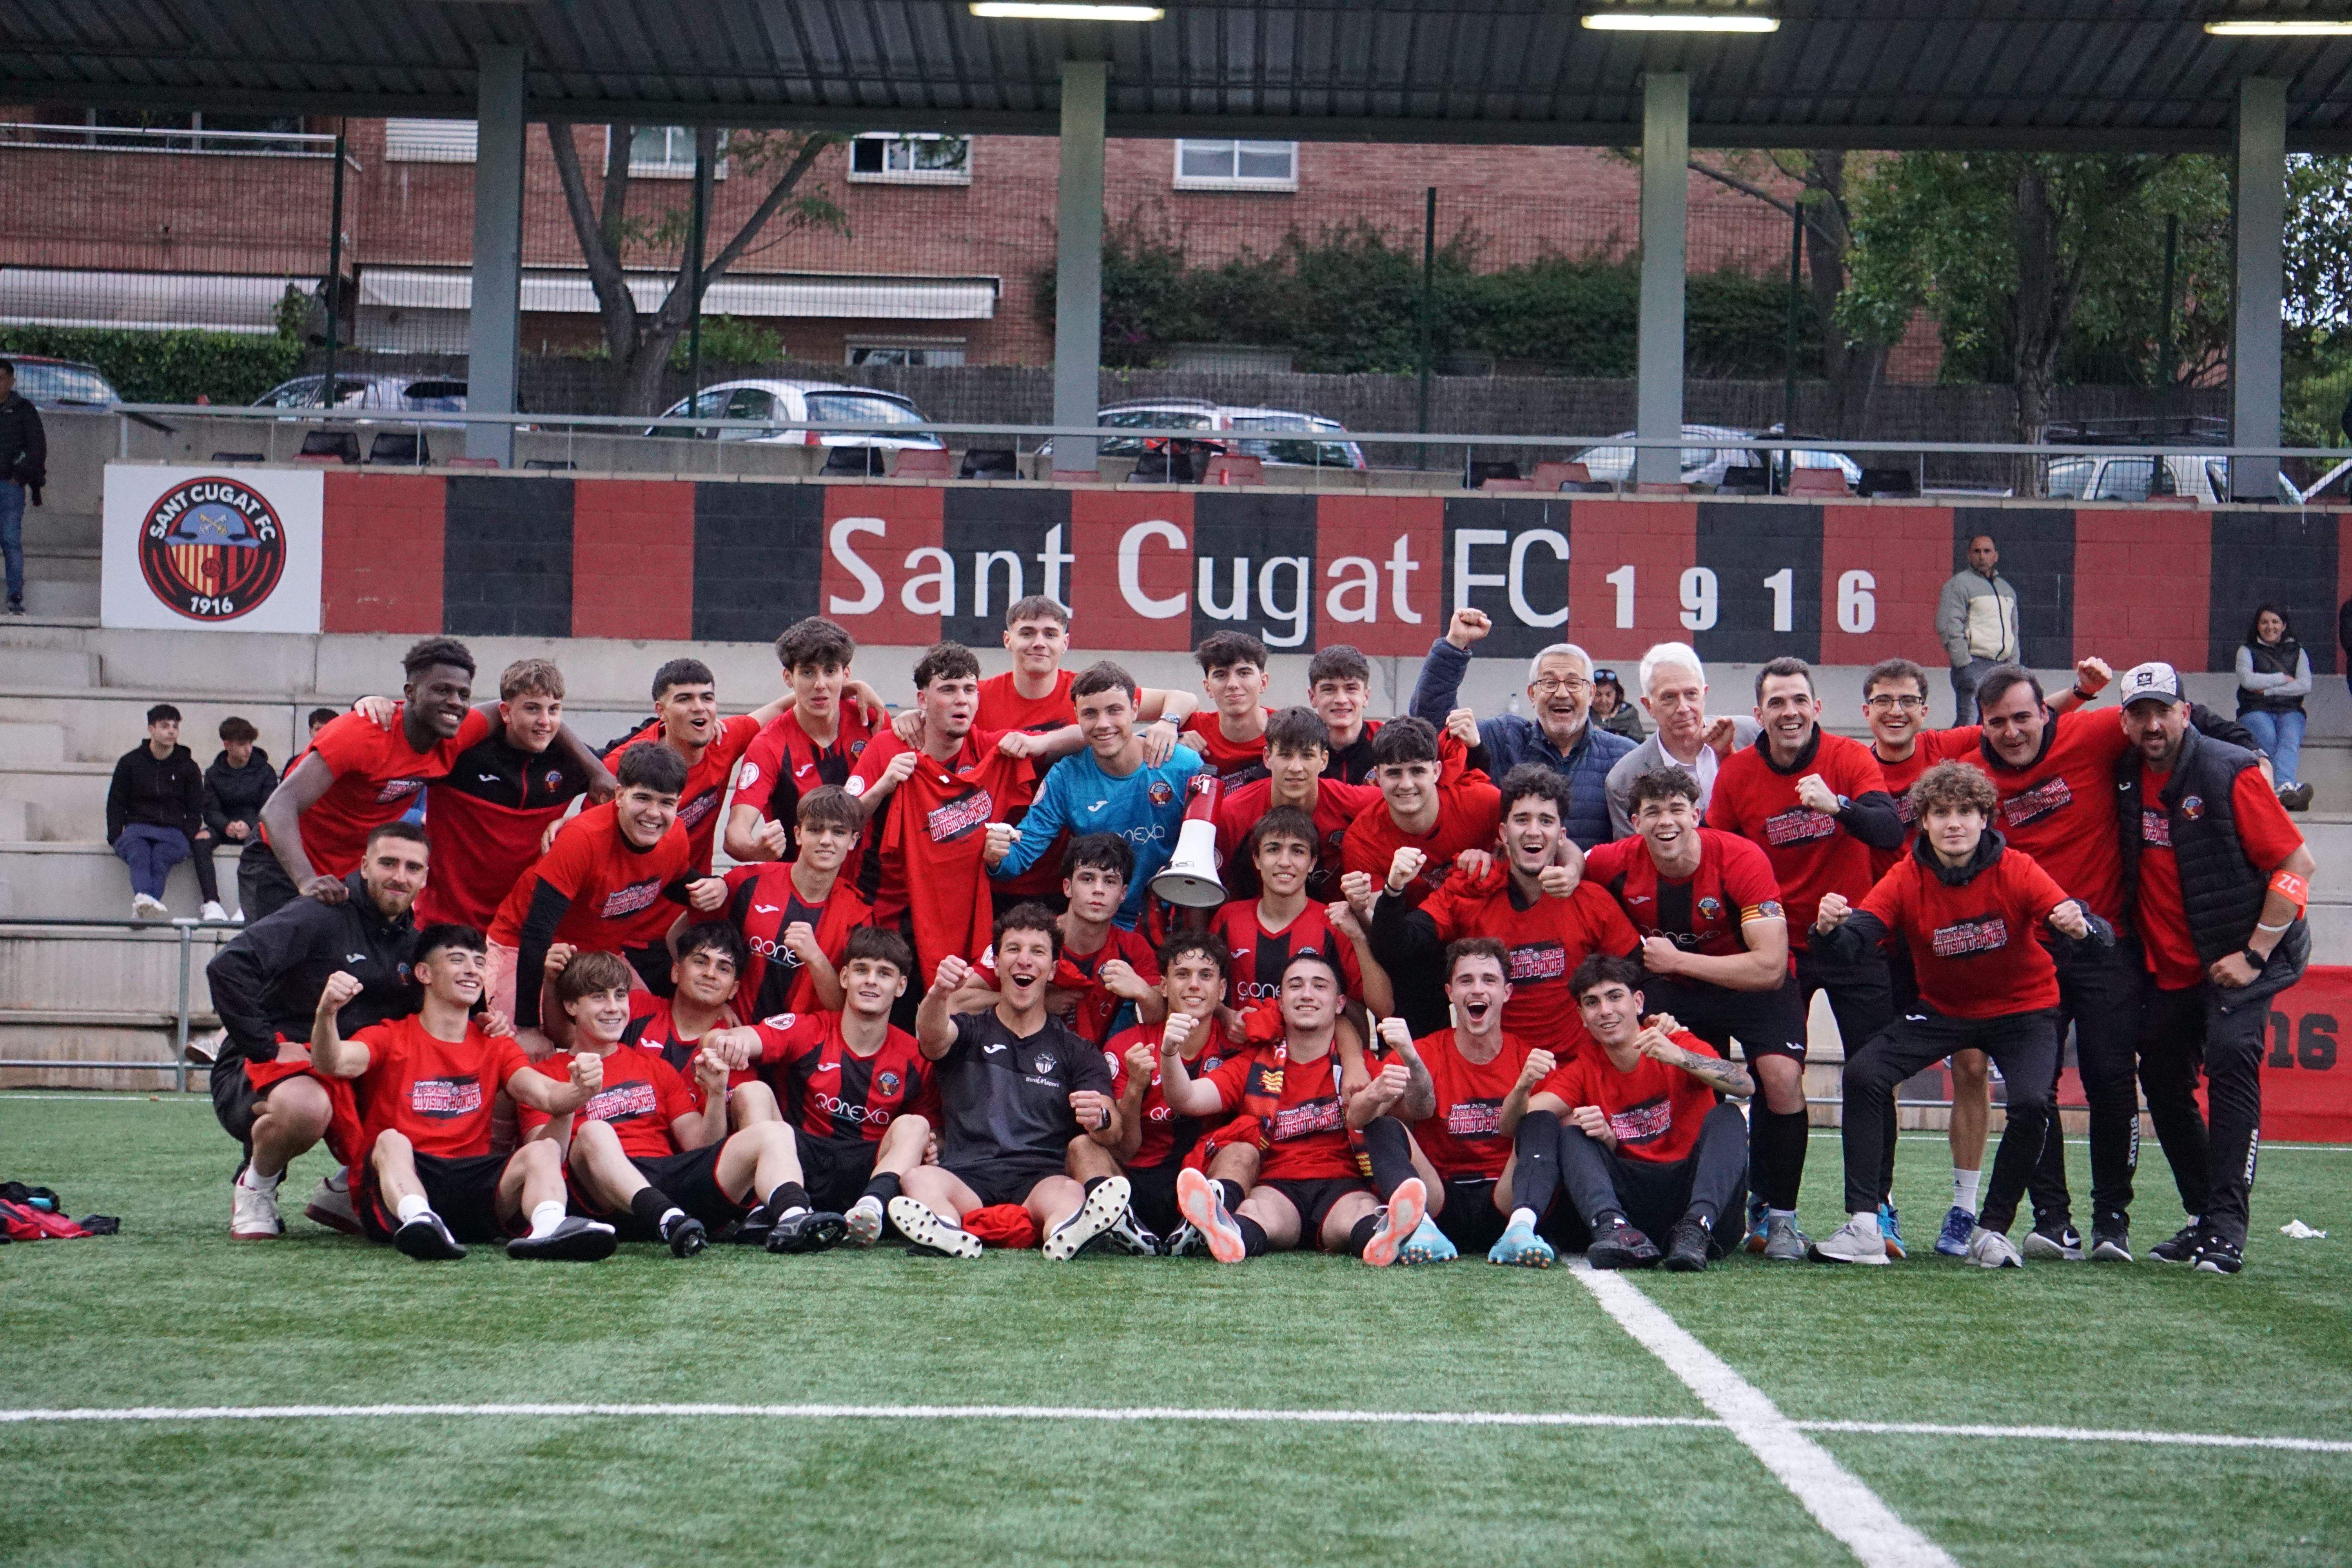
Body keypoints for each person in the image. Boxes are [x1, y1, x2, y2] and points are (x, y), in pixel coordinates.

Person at [1940, 660, 2253, 1261]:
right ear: (1982, 724)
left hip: (2106, 944)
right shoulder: (1968, 772)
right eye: (1998, 722)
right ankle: (2053, 1220)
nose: (2012, 732)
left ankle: (2113, 1218)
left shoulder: (2096, 731)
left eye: (2024, 718)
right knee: (2037, 1090)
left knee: (2112, 1079)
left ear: (2047, 714)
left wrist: (2251, 756)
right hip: (2025, 953)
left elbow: (2182, 719)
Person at [1811, 761, 2107, 1268]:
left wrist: (2081, 928)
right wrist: (1828, 928)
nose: (1954, 823)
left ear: (1985, 818)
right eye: (1941, 812)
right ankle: (1864, 1224)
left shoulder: (2017, 868)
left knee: (2034, 1102)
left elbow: (2094, 936)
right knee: (1864, 1073)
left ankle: (1992, 1230)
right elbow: (1856, 940)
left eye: (1966, 812)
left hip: (2025, 1011)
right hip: (1944, 1011)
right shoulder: (1907, 876)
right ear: (1923, 820)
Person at [2116, 661, 2315, 1276]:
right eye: (2139, 713)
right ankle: (2203, 1214)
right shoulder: (2122, 774)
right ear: (2125, 722)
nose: (2152, 724)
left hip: (2246, 960)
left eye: (2162, 711)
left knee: (2231, 1062)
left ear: (2185, 711)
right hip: (2172, 967)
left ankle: (2228, 1229)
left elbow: (2297, 865)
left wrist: (2255, 952)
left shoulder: (2229, 771)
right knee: (2164, 1077)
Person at [1707, 656, 1907, 1249]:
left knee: (1870, 1076)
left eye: (1799, 700)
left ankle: (1877, 1209)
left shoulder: (1848, 758)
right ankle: (1769, 1210)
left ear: (1817, 708)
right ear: (1759, 714)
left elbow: (1890, 831)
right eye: (1777, 703)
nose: (1789, 712)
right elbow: (1723, 858)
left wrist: (1837, 806)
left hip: (1851, 937)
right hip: (1779, 946)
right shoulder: (1738, 774)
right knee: (1778, 1075)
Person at [1582, 766, 1813, 1260]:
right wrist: (1560, 866)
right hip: (1678, 991)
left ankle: (1781, 1218)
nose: (1666, 822)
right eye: (1653, 812)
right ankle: (1689, 1202)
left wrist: (1678, 960)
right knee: (1675, 1073)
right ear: (1634, 821)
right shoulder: (1617, 860)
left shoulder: (1741, 859)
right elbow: (1574, 860)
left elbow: (1771, 966)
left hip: (1749, 985)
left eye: (1676, 810)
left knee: (1780, 1077)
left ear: (1697, 814)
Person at [310, 923, 614, 1262]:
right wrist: (327, 1014)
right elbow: (332, 1062)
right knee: (390, 1141)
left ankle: (550, 1227)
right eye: (457, 960)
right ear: (424, 973)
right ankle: (420, 1221)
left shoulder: (495, 1044)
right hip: (405, 1180)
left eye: (480, 963)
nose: (472, 970)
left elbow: (546, 1096)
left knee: (542, 1149)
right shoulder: (390, 1036)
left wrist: (581, 1089)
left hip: (471, 1182)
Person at [256, 638, 608, 924]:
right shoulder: (361, 734)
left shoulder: (458, 731)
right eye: (442, 691)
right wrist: (305, 881)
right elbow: (278, 807)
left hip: (356, 875)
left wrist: (596, 772)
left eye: (463, 695)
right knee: (267, 980)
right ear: (410, 692)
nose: (455, 703)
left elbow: (532, 714)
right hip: (288, 864)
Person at [205, 820, 432, 1240]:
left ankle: (347, 1191)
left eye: (412, 868)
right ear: (364, 866)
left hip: (349, 1068)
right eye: (388, 863)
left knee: (439, 1093)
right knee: (307, 1106)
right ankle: (257, 1187)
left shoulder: (414, 943)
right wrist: (266, 1049)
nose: (400, 876)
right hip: (269, 1068)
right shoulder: (320, 914)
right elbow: (228, 967)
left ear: (425, 877)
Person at [520, 949, 824, 1257]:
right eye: (599, 997)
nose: (613, 1008)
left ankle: (793, 1217)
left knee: (775, 1132)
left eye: (621, 996)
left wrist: (717, 1095)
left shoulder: (655, 1067)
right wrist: (570, 1100)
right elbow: (545, 1156)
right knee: (594, 1132)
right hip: (606, 1196)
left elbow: (701, 1147)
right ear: (571, 1006)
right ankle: (665, 1217)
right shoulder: (544, 1076)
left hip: (671, 1180)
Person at [893, 904, 1136, 1261]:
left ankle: (1064, 1235)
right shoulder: (970, 1030)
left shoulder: (1077, 1050)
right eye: (1013, 950)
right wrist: (939, 994)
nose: (1025, 961)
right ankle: (945, 1230)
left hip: (1040, 1179)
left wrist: (1100, 1118)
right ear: (997, 965)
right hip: (966, 1176)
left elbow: (1112, 1133)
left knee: (1069, 1193)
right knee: (917, 1180)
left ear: (1052, 970)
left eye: (1037, 952)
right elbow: (931, 1038)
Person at [1160, 949, 1429, 1265]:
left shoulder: (1360, 1066)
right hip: (1277, 1187)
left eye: (1320, 986)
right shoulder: (1253, 1063)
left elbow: (1419, 1107)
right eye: (1296, 986)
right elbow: (1187, 1099)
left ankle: (1384, 1238)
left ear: (1339, 1003)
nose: (1307, 995)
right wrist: (1170, 1053)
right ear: (1281, 1001)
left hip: (1343, 1186)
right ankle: (1225, 1232)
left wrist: (1411, 1060)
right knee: (1254, 1212)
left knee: (1360, 1213)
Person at [1506, 955, 1754, 1272]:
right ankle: (1611, 1227)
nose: (1605, 1011)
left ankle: (1696, 1227)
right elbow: (1520, 1124)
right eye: (1592, 1003)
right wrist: (1523, 1087)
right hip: (1633, 1207)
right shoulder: (1584, 1068)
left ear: (1638, 1002)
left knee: (1728, 1116)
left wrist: (1680, 1057)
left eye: (1614, 997)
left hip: (1697, 1203)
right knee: (1572, 1133)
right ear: (1582, 1016)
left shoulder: (1676, 1042)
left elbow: (1744, 1085)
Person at [1368, 764, 1638, 1043]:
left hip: (1573, 1069)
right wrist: (1394, 888)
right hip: (1495, 1067)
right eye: (1522, 820)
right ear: (1503, 833)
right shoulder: (1473, 888)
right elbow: (1394, 946)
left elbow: (1637, 976)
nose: (1534, 831)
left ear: (1562, 835)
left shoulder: (1591, 900)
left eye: (1546, 821)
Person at [966, 593, 1194, 912]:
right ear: (1008, 640)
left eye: (1050, 634)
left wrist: (1169, 724)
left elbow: (1182, 698)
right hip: (1016, 862)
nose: (1039, 643)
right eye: (1028, 633)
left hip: (1078, 882)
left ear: (1066, 642)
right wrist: (908, 719)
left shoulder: (1093, 690)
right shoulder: (977, 698)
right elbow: (935, 721)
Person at [851, 641, 1051, 988]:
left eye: (970, 689)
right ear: (923, 701)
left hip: (965, 921)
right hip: (893, 915)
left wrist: (1039, 745)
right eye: (948, 689)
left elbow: (1084, 737)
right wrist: (884, 785)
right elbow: (845, 822)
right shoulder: (889, 747)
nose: (962, 699)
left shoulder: (990, 749)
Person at [488, 741, 724, 1030]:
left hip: (601, 953)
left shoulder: (673, 836)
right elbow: (536, 932)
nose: (654, 813)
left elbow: (675, 882)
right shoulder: (583, 839)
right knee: (523, 1045)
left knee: (647, 1031)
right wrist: (528, 1028)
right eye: (643, 798)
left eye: (666, 803)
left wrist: (721, 886)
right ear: (620, 795)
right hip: (525, 947)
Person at [737, 926, 938, 1247]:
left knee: (917, 1125)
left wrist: (930, 1147)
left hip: (867, 1171)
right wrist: (726, 1042)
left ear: (901, 987)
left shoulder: (916, 1057)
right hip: (800, 1161)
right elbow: (741, 1038)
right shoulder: (811, 1029)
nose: (871, 980)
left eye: (884, 973)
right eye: (862, 970)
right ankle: (775, 1205)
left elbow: (934, 1135)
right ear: (844, 977)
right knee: (752, 1092)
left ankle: (871, 1209)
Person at [985, 661, 1204, 931]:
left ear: (1135, 710)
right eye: (1090, 714)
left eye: (1115, 711)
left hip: (1176, 920)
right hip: (1104, 927)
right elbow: (1020, 856)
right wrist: (996, 855)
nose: (1103, 724)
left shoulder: (1183, 765)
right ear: (1076, 716)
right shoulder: (1065, 778)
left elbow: (1211, 853)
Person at [1375, 939, 1547, 1260]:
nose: (1478, 990)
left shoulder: (1528, 1056)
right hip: (1440, 1201)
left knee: (1544, 1122)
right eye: (1466, 981)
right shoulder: (1425, 1051)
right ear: (1450, 992)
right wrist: (1380, 1092)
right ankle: (1420, 1226)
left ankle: (1522, 1229)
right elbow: (1360, 1118)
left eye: (1489, 980)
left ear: (1507, 993)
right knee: (1383, 1125)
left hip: (1505, 1199)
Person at [1409, 608, 1634, 848]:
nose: (1561, 693)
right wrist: (1455, 645)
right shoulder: (1503, 738)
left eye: (1573, 683)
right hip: (1509, 884)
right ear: (1532, 694)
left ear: (1590, 694)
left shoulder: (1624, 758)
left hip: (1590, 885)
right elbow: (1429, 726)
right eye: (1549, 683)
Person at [1339, 716, 1503, 1034]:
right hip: (1418, 946)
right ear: (1376, 777)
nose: (1406, 784)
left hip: (1485, 932)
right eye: (1394, 773)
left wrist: (1496, 858)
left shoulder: (1482, 803)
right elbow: (1386, 937)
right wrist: (1377, 898)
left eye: (1417, 771)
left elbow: (1539, 841)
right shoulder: (1362, 838)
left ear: (1437, 771)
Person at [411, 658, 594, 933]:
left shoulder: (573, 763)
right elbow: (401, 739)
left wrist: (577, 823)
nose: (545, 722)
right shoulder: (462, 754)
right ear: (506, 713)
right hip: (445, 926)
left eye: (554, 710)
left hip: (518, 932)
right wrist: (373, 705)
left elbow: (628, 787)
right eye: (532, 709)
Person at [722, 617, 877, 887]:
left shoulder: (870, 720)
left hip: (867, 888)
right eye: (807, 672)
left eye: (830, 671)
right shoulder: (769, 745)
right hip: (800, 892)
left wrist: (914, 720)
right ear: (788, 677)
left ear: (847, 674)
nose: (820, 684)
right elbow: (734, 836)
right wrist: (755, 849)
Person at [968, 834, 1163, 1045]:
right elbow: (959, 1001)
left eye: (1110, 881)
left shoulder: (1133, 948)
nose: (1098, 890)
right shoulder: (1029, 935)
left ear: (1123, 893)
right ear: (1067, 887)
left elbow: (1160, 1019)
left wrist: (1142, 992)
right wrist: (1036, 1002)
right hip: (1009, 1057)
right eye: (1087, 879)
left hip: (1083, 1065)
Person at [1106, 931, 1238, 1243]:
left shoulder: (1238, 1045)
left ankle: (1210, 1223)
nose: (1194, 985)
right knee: (1081, 1148)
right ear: (1163, 986)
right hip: (1137, 1179)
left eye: (1206, 976)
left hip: (1205, 1175)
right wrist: (1136, 1089)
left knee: (1243, 1152)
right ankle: (1121, 1226)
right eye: (1182, 974)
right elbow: (1124, 1149)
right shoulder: (1127, 1045)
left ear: (1221, 990)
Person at [709, 784, 872, 1021]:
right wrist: (716, 1005)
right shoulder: (748, 882)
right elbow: (684, 940)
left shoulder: (858, 913)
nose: (826, 841)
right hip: (732, 1036)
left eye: (838, 832)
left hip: (804, 1049)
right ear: (798, 834)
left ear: (853, 840)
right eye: (816, 830)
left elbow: (845, 1009)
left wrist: (815, 958)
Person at [1214, 807, 1393, 1018]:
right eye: (1273, 849)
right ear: (1257, 859)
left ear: (1312, 862)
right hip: (1240, 1049)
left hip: (1310, 1050)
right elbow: (1203, 990)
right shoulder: (1229, 918)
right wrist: (1226, 1016)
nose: (1284, 862)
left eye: (1298, 851)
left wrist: (1358, 938)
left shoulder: (1334, 924)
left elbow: (1383, 1009)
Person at [1211, 706, 1378, 905]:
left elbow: (1407, 801)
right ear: (1267, 758)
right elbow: (1205, 889)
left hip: (1335, 924)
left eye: (1307, 756)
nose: (1296, 768)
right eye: (1285, 755)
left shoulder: (1354, 804)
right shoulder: (1231, 814)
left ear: (1323, 760)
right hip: (1252, 923)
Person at [1604, 642, 1760, 837]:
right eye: (1670, 697)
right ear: (1648, 706)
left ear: (1704, 695)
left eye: (1691, 694)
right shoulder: (1624, 778)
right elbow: (1634, 857)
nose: (1683, 708)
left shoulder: (1754, 736)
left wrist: (1728, 756)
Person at [107, 702, 223, 920]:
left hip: (173, 832)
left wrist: (188, 835)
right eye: (165, 726)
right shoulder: (130, 763)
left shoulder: (188, 767)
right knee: (139, 853)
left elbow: (196, 806)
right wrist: (115, 835)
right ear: (151, 729)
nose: (171, 731)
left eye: (175, 727)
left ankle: (142, 905)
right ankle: (146, 903)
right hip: (138, 829)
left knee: (161, 857)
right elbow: (116, 801)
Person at [2236, 604, 2314, 811]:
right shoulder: (2247, 651)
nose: (2269, 627)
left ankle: (2279, 789)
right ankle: (2287, 788)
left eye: (2275, 622)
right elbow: (2248, 681)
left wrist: (2268, 690)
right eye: (2264, 622)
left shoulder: (2298, 651)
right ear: (2258, 626)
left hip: (2290, 711)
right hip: (2254, 709)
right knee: (2269, 742)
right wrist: (2283, 678)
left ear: (2284, 626)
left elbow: (2305, 685)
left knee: (2288, 742)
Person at [1936, 533, 2020, 722]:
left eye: (1987, 551)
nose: (1982, 556)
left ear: (1995, 556)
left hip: (2002, 666)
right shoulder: (1958, 585)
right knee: (1969, 723)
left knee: (1993, 723)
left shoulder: (2006, 590)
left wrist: (2013, 664)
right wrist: (1964, 663)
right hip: (1974, 664)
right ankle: (1956, 753)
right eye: (1977, 551)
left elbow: (2013, 630)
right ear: (1968, 556)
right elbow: (1949, 626)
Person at [203, 716, 277, 921]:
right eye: (243, 745)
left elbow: (269, 807)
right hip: (224, 827)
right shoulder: (213, 773)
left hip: (255, 826)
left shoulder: (265, 771)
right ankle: (211, 903)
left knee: (266, 842)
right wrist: (226, 826)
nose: (249, 750)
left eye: (251, 744)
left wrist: (251, 825)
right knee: (201, 842)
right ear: (227, 745)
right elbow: (209, 809)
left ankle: (248, 906)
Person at [1180, 630, 1277, 784]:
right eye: (1221, 675)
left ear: (1263, 682)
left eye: (1244, 673)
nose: (1233, 684)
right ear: (1208, 688)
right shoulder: (1191, 729)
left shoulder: (1288, 731)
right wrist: (1172, 744)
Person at [0, 358, 45, 615]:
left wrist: (20, 475)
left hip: (10, 487)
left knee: (10, 541)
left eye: (2, 378)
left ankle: (15, 595)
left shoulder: (23, 410)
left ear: (12, 381)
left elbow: (37, 448)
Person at [1307, 644, 1383, 783]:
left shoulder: (1388, 744)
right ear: (1313, 697)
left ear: (1366, 697)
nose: (1341, 700)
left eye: (1351, 688)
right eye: (1329, 689)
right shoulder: (1297, 747)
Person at [1590, 668, 1645, 742]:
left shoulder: (1629, 713)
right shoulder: (1583, 713)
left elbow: (1639, 743)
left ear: (1617, 694)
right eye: (1598, 695)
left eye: (1609, 695)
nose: (1603, 701)